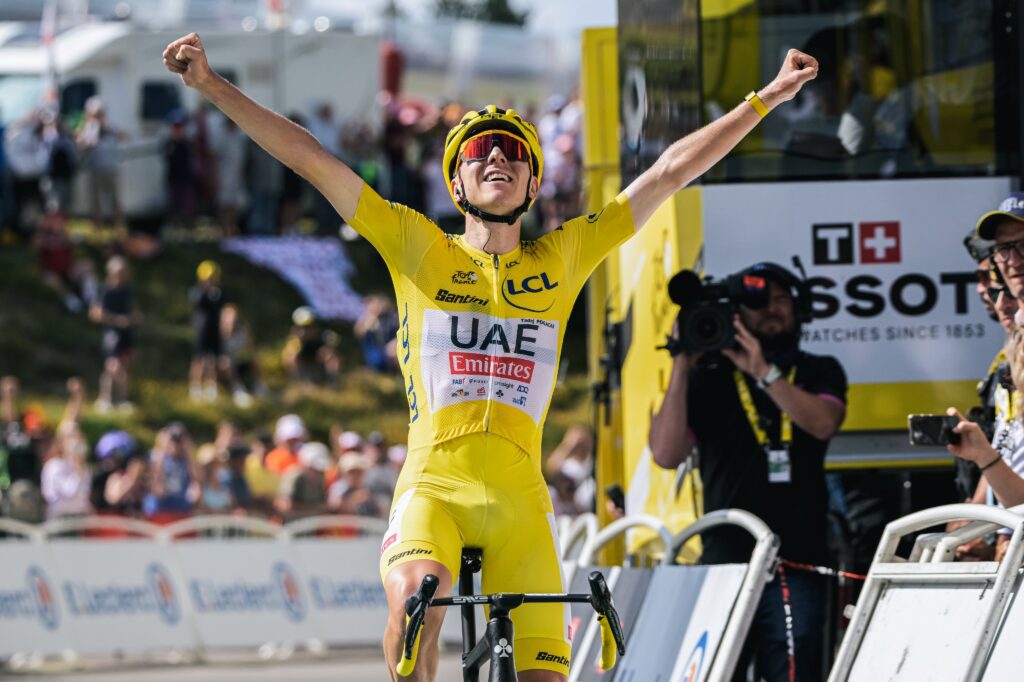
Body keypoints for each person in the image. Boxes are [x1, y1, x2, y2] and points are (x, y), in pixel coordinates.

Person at [162, 33, 818, 681]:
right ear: (456, 179)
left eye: (515, 152)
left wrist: (767, 98)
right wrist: (212, 86)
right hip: (433, 489)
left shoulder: (561, 258)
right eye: (479, 151)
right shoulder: (417, 244)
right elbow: (309, 159)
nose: (497, 158)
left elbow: (670, 171)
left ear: (534, 180)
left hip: (521, 505)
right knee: (418, 609)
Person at [649, 263, 847, 682]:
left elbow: (823, 422)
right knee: (720, 673)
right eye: (760, 303)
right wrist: (683, 360)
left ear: (800, 310)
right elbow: (666, 454)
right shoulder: (707, 376)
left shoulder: (819, 369)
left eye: (782, 301)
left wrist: (764, 372)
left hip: (799, 559)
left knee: (794, 672)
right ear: (739, 315)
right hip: (724, 561)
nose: (772, 311)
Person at [90, 255, 140, 412]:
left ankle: (122, 400)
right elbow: (96, 313)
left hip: (126, 333)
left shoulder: (126, 290)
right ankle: (105, 399)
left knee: (124, 366)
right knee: (112, 366)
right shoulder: (104, 289)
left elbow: (131, 310)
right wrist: (118, 320)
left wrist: (133, 318)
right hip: (111, 333)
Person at [189, 260, 226, 402]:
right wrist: (205, 288)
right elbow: (196, 302)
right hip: (201, 329)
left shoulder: (218, 292)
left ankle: (211, 387)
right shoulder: (197, 291)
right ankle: (195, 387)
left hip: (214, 330)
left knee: (213, 359)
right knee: (199, 359)